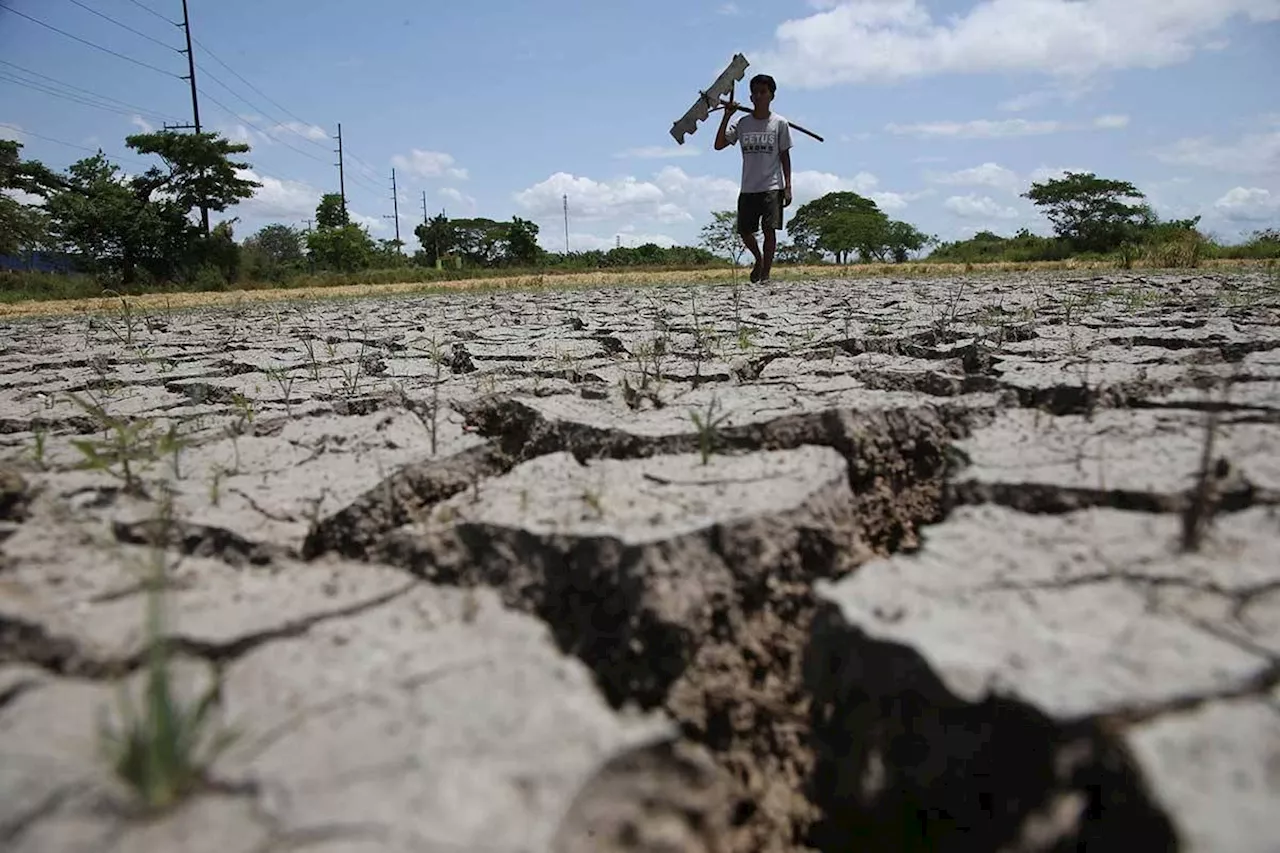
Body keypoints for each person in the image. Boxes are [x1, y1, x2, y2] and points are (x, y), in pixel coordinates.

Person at [714, 73, 793, 284]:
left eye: (763, 92)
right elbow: (719, 144)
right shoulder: (743, 123)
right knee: (746, 231)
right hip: (748, 186)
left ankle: (766, 275)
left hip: (772, 185)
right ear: (750, 97)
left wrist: (788, 187)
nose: (758, 96)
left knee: (770, 230)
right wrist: (726, 116)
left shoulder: (779, 124)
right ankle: (758, 260)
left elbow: (785, 156)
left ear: (771, 95)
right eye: (755, 93)